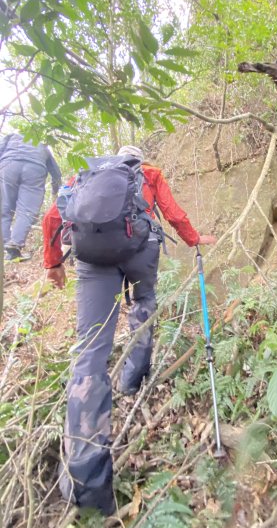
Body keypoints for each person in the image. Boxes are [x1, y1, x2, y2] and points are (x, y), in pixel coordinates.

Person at [43, 145, 216, 515]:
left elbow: (53, 217)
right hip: (140, 253)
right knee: (142, 308)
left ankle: (86, 481)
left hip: (92, 260)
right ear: (138, 159)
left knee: (89, 350)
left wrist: (53, 263)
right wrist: (193, 238)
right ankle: (132, 380)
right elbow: (171, 212)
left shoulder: (85, 173)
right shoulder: (149, 173)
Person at [0, 132, 62, 260]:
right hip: (34, 169)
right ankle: (14, 246)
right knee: (26, 211)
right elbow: (56, 173)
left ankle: (5, 246)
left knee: (4, 208)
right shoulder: (42, 146)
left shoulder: (12, 136)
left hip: (9, 164)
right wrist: (55, 192)